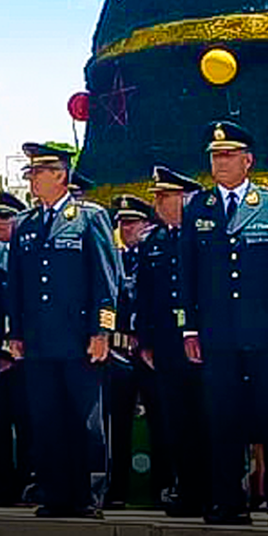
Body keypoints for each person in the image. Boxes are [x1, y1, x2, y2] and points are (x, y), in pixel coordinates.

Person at [179, 121, 268, 527]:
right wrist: (189, 327)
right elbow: (188, 272)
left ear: (247, 161)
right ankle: (229, 500)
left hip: (265, 332)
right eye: (216, 156)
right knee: (223, 418)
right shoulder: (198, 207)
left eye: (228, 155)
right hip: (218, 335)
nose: (220, 163)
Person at [1, 143, 118, 520]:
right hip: (39, 341)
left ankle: (88, 494)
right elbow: (16, 285)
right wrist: (15, 332)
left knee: (85, 420)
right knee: (47, 419)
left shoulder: (88, 217)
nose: (32, 180)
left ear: (60, 175)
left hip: (79, 338)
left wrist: (102, 330)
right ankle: (56, 493)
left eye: (38, 173)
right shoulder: (26, 225)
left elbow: (105, 278)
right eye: (30, 173)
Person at [135, 165, 201, 518]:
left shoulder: (202, 234)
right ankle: (185, 487)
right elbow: (144, 295)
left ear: (184, 198)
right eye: (157, 197)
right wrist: (145, 339)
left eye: (165, 196)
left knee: (209, 417)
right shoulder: (154, 241)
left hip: (202, 344)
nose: (158, 203)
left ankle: (217, 488)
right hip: (166, 344)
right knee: (175, 420)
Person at [104, 193, 153, 511]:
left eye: (132, 222)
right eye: (122, 223)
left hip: (151, 353)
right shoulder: (114, 260)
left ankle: (166, 485)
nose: (126, 228)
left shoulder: (156, 254)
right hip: (120, 353)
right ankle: (116, 488)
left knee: (163, 421)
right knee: (116, 426)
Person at [0, 188, 28, 506]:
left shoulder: (22, 256)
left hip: (22, 356)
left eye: (4, 216)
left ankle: (27, 480)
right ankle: (2, 483)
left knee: (28, 424)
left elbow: (17, 309)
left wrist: (7, 351)